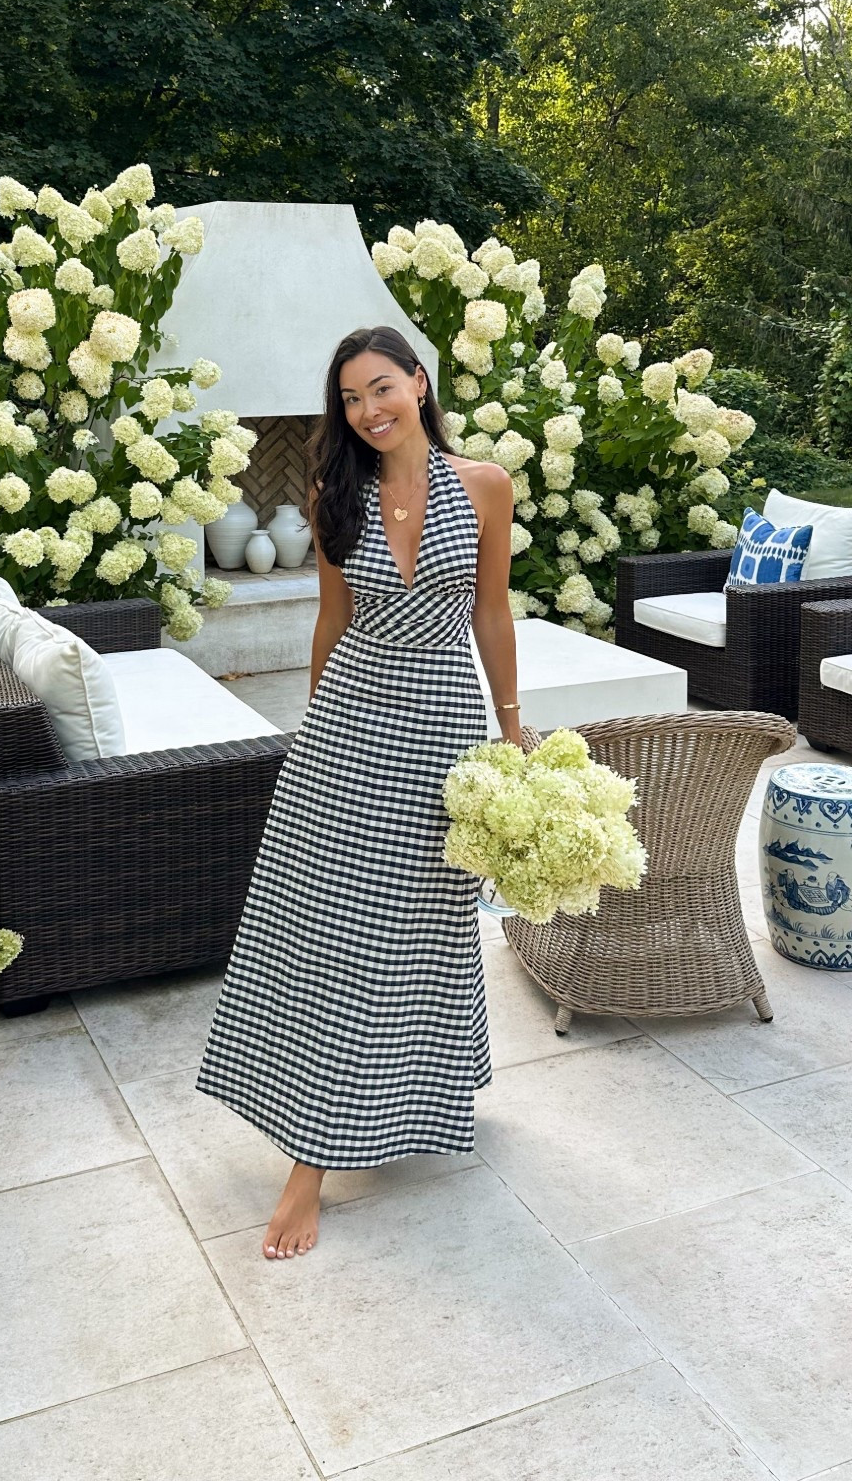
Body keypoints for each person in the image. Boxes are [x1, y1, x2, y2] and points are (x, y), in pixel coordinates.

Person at [195, 323, 522, 1260]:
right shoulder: (335, 493)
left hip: (446, 729)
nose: (368, 410)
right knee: (335, 937)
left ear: (419, 384)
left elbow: (491, 612)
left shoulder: (486, 486)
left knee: (426, 921)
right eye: (350, 398)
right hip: (351, 729)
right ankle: (310, 1162)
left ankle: (433, 1094)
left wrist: (509, 729)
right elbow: (331, 624)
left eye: (381, 388)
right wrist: (314, 741)